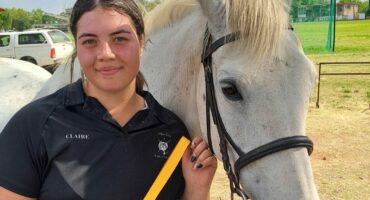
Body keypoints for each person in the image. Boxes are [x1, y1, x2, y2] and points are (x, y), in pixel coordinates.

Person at [0, 0, 217, 199]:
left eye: (120, 38)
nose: (106, 54)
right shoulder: (34, 125)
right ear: (77, 48)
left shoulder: (174, 133)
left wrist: (197, 188)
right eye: (89, 41)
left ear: (141, 42)